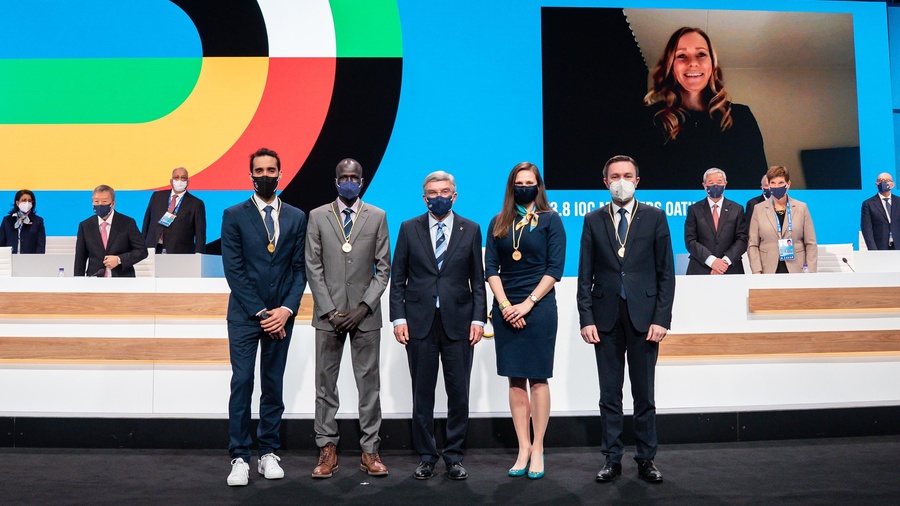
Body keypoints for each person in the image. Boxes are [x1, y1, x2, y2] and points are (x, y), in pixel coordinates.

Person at [577, 155, 675, 483]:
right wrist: (585, 318)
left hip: (645, 318)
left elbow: (666, 274)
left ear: (637, 180)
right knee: (610, 394)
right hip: (604, 318)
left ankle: (646, 458)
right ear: (605, 182)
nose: (622, 180)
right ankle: (612, 458)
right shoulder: (592, 220)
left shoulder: (655, 217)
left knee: (644, 393)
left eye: (628, 175)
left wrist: (662, 318)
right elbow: (584, 275)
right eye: (615, 175)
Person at [390, 171, 486, 481]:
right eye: (432, 192)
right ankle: (427, 456)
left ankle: (454, 456)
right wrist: (398, 318)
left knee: (459, 393)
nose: (438, 196)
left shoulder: (470, 229)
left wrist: (478, 319)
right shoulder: (408, 228)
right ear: (424, 197)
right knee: (423, 394)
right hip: (419, 323)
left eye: (444, 191)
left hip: (459, 323)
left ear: (455, 196)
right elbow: (398, 278)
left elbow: (478, 280)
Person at [222, 148, 307, 487]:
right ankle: (240, 456)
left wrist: (285, 310)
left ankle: (269, 452)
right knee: (242, 383)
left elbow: (300, 270)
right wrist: (261, 312)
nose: (266, 175)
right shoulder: (234, 215)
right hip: (245, 315)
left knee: (273, 385)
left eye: (272, 169)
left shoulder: (296, 217)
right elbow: (234, 269)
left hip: (280, 317)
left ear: (280, 174)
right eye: (260, 170)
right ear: (250, 175)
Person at [305, 158, 391, 479]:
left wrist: (363, 307)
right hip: (328, 317)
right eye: (345, 176)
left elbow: (383, 269)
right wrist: (329, 309)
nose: (350, 181)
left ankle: (370, 450)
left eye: (355, 176)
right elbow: (312, 266)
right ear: (336, 180)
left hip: (365, 316)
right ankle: (327, 449)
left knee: (369, 386)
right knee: (325, 385)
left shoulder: (378, 216)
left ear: (363, 180)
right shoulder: (317, 216)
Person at [484, 162, 565, 480]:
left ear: (538, 186)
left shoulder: (550, 220)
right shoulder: (498, 221)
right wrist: (505, 306)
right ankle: (523, 447)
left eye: (529, 182)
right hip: (505, 307)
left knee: (539, 379)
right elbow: (491, 267)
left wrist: (527, 304)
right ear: (511, 186)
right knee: (515, 380)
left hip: (539, 307)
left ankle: (539, 447)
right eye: (519, 183)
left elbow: (554, 269)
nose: (524, 187)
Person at [640, 27, 767, 189]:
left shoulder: (741, 117)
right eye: (681, 55)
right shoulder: (650, 119)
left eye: (701, 54)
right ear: (671, 66)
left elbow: (758, 184)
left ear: (712, 63)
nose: (693, 62)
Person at [748, 166, 817, 273]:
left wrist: (810, 271)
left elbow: (811, 243)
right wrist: (757, 271)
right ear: (769, 185)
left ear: (788, 184)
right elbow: (753, 244)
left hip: (796, 268)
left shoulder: (801, 208)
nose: (777, 186)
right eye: (773, 183)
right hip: (768, 269)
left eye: (780, 183)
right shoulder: (758, 209)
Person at [684, 168, 748, 274]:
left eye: (719, 182)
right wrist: (712, 261)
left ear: (725, 184)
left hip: (730, 269)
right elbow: (690, 241)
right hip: (700, 269)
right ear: (704, 185)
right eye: (711, 183)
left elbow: (742, 239)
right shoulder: (694, 209)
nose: (715, 186)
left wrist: (724, 262)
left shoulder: (737, 209)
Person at [74, 185, 147, 277]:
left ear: (113, 203)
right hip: (95, 280)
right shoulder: (85, 226)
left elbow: (142, 251)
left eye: (104, 201)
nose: (100, 204)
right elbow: (80, 258)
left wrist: (119, 259)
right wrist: (77, 282)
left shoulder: (127, 223)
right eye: (96, 201)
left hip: (122, 280)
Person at [141, 167, 207, 254]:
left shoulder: (196, 203)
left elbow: (200, 233)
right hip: (153, 248)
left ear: (188, 182)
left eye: (183, 178)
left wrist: (199, 255)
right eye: (176, 177)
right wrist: (141, 247)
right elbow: (147, 222)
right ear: (171, 181)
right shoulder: (157, 196)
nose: (179, 180)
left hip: (179, 251)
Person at [860, 172, 899, 250]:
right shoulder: (868, 204)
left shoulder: (898, 201)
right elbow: (867, 229)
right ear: (876, 184)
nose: (883, 183)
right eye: (880, 180)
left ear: (892, 184)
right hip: (880, 247)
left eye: (886, 180)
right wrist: (873, 250)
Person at [0, 190, 46, 254]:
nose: (27, 203)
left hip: (30, 260)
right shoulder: (7, 220)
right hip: (10, 259)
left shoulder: (38, 221)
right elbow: (1, 243)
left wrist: (37, 261)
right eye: (24, 200)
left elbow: (40, 245)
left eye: (29, 201)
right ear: (17, 203)